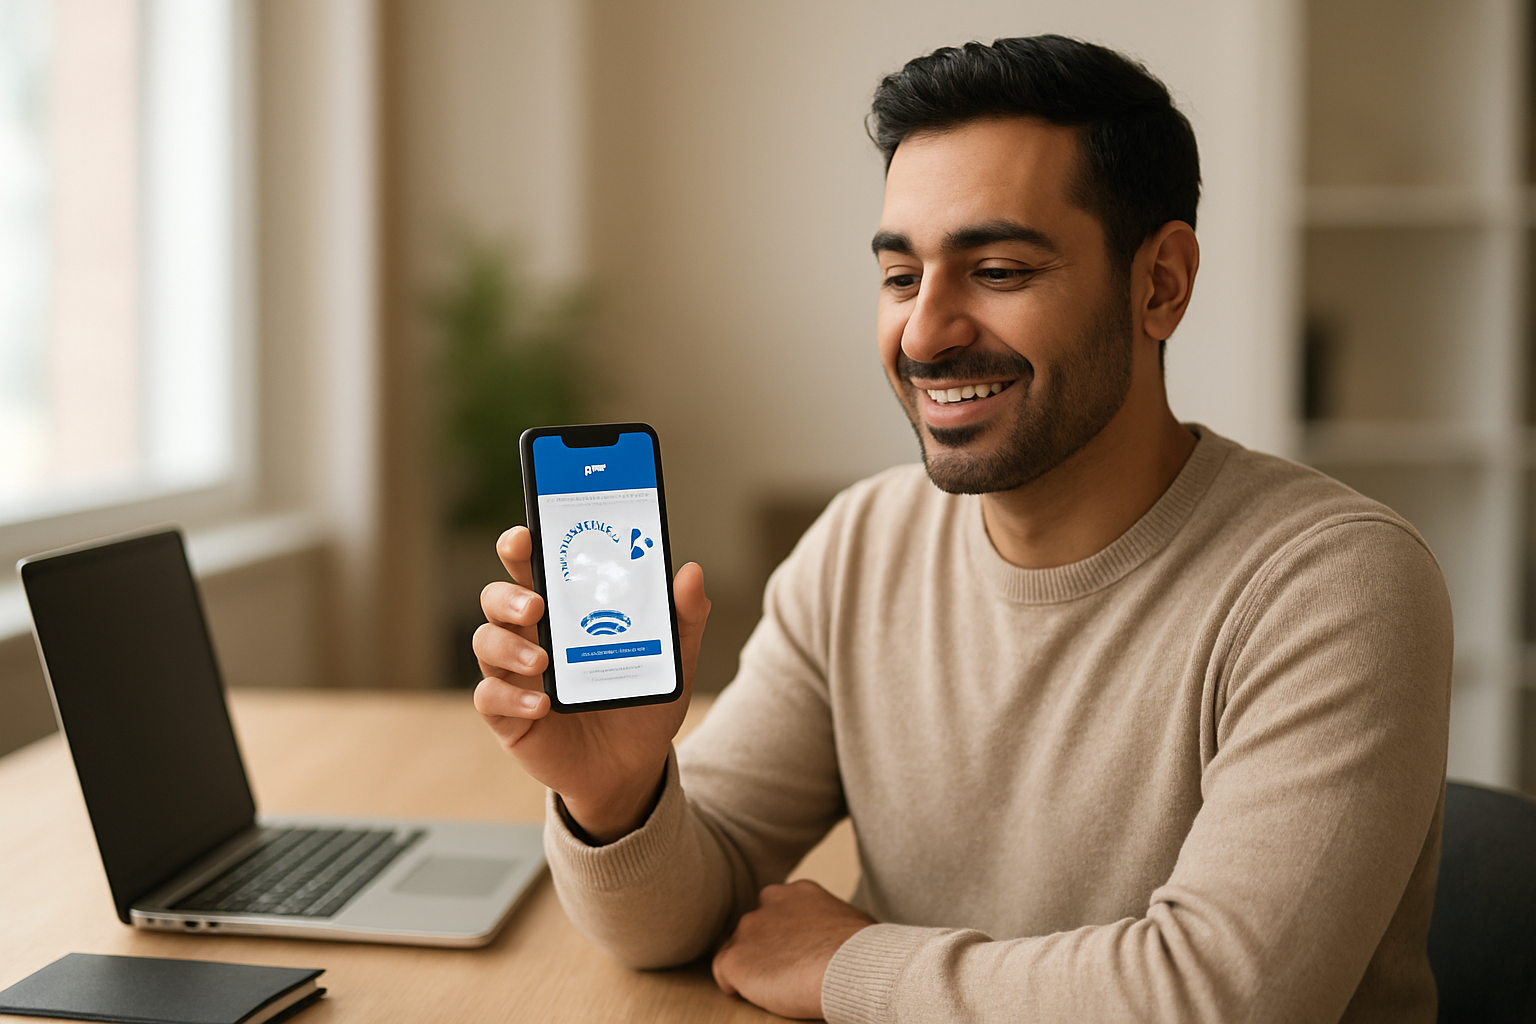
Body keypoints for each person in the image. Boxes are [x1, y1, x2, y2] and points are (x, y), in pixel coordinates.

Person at [472, 35, 1453, 1024]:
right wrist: (619, 797)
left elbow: (1224, 999)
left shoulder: (1339, 582)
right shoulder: (863, 545)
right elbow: (677, 918)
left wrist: (850, 966)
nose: (927, 332)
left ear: (1160, 283)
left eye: (995, 269)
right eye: (901, 278)